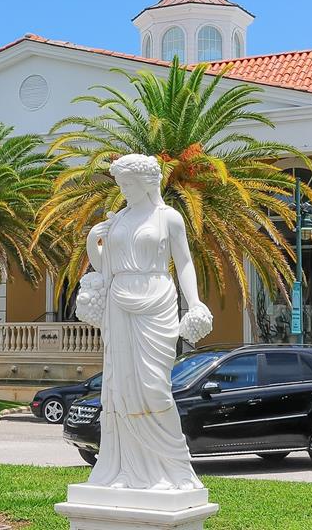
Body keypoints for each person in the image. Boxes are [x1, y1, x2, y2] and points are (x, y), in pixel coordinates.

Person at [79, 153, 212, 490]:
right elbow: (103, 265)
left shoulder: (168, 218)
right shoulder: (119, 219)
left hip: (157, 300)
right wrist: (94, 239)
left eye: (128, 183)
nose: (123, 189)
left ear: (147, 182)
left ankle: (173, 470)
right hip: (119, 302)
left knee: (154, 388)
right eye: (120, 183)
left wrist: (194, 302)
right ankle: (126, 471)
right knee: (120, 388)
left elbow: (184, 263)